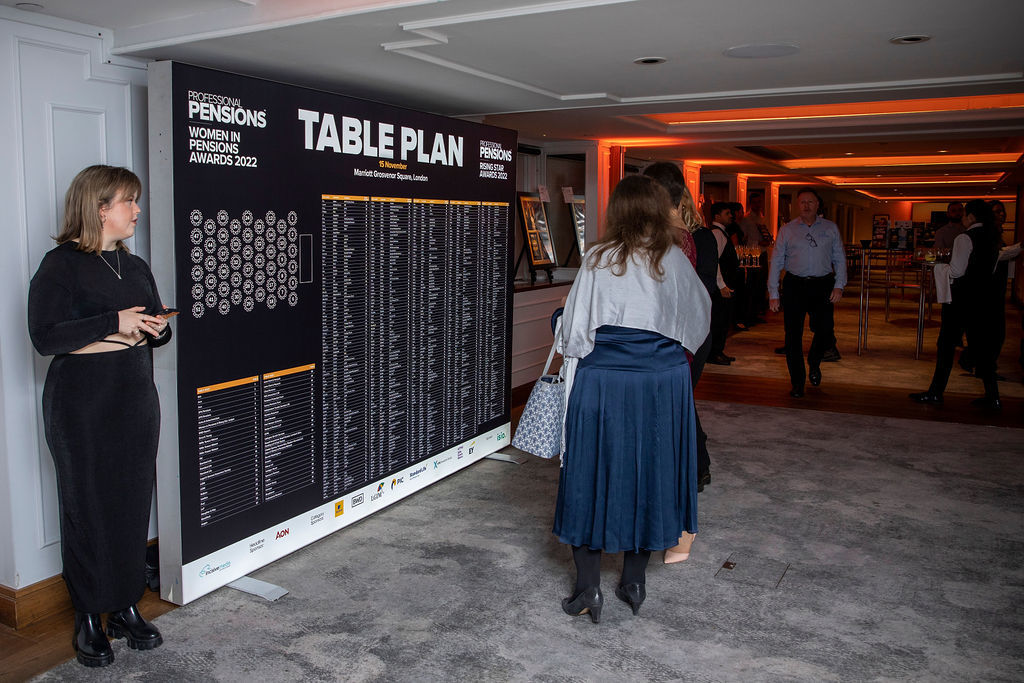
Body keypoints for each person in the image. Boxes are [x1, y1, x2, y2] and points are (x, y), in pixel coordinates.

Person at [28, 165, 172, 667]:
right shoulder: (60, 266)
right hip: (81, 407)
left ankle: (126, 606)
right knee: (86, 507)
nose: (137, 209)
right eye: (129, 200)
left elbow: (158, 326)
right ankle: (89, 616)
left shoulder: (135, 266)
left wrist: (156, 328)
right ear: (99, 207)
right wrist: (115, 321)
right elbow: (44, 337)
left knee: (131, 504)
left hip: (135, 400)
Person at [553, 175, 710, 621]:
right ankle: (634, 583)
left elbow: (574, 332)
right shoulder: (673, 258)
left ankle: (587, 589)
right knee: (651, 471)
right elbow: (699, 320)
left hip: (605, 380)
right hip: (661, 381)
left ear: (617, 211)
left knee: (590, 472)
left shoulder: (599, 258)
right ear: (660, 209)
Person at [643, 162, 714, 498]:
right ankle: (695, 465)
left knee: (678, 401)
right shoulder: (668, 234)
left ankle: (694, 467)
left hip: (683, 334)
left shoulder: (679, 237)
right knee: (680, 401)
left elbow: (681, 294)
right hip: (678, 331)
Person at [910, 199, 1003, 410]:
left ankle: (936, 392)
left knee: (946, 345)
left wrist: (938, 267)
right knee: (982, 348)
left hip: (961, 300)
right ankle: (993, 396)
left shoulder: (965, 237)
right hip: (983, 300)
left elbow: (957, 271)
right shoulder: (992, 237)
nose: (962, 217)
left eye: (964, 214)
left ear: (971, 216)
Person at [768, 188, 847, 398]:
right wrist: (773, 293)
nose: (806, 206)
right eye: (802, 202)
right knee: (792, 336)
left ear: (817, 204)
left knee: (825, 330)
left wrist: (839, 285)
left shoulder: (830, 228)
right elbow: (776, 261)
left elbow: (839, 258)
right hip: (795, 285)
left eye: (810, 202)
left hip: (823, 285)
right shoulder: (787, 230)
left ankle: (814, 361)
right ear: (797, 205)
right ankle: (798, 382)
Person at [708, 202, 740, 364]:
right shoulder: (716, 233)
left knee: (723, 319)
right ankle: (714, 352)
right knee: (719, 320)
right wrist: (722, 285)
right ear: (717, 216)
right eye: (727, 213)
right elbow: (715, 262)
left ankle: (718, 350)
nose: (731, 216)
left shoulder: (721, 232)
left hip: (724, 284)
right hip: (721, 286)